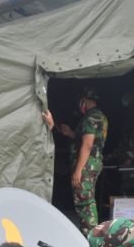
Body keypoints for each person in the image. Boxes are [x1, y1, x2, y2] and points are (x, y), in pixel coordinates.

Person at [42, 87, 108, 236]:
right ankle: (89, 234)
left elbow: (88, 144)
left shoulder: (91, 118)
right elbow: (84, 139)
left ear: (85, 100)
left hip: (86, 165)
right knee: (86, 199)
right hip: (91, 164)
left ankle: (90, 237)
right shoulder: (98, 116)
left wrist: (78, 171)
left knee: (84, 202)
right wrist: (70, 132)